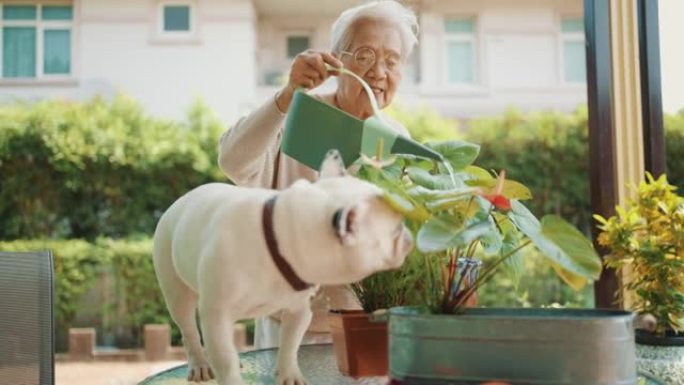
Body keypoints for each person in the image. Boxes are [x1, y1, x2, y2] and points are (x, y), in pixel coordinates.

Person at [217, 0, 419, 349]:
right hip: (290, 325)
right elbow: (234, 162)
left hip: (368, 325)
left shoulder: (398, 139)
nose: (379, 72)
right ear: (338, 61)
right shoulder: (298, 113)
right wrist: (286, 96)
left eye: (392, 60)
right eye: (366, 55)